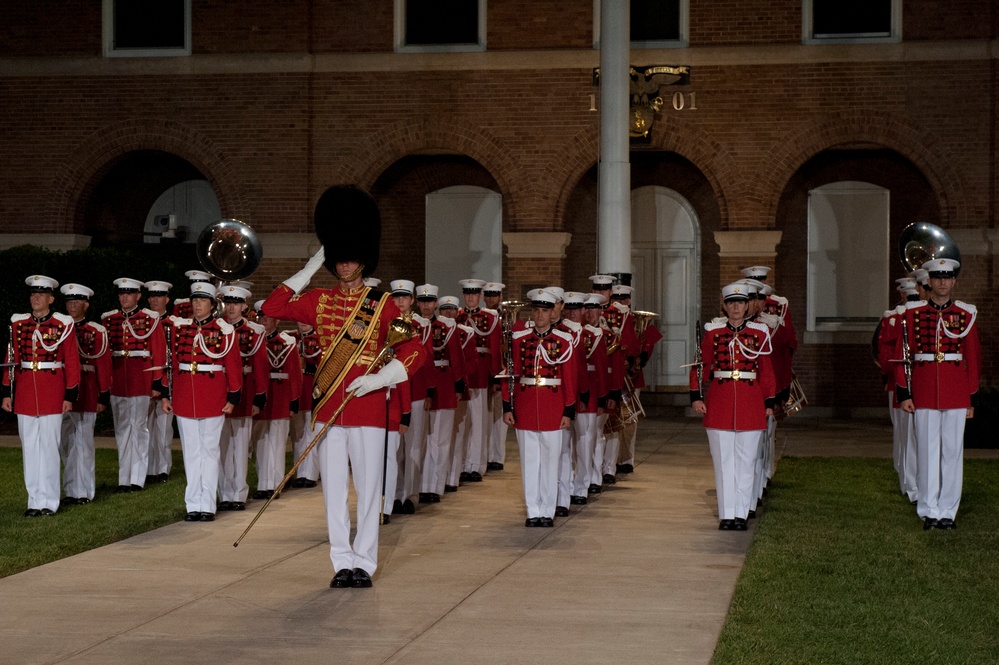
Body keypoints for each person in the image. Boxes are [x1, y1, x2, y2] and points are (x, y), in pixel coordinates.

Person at [262, 185, 426, 589]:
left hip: (368, 406)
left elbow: (414, 350)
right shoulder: (318, 299)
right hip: (328, 409)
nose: (345, 265)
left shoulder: (382, 304)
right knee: (333, 491)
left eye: (351, 257)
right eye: (339, 257)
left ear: (364, 259)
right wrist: (314, 260)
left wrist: (382, 378)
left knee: (369, 490)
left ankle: (364, 562)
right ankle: (341, 562)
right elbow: (272, 307)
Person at [896, 258, 980, 530]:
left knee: (953, 453)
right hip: (924, 389)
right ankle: (928, 510)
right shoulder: (912, 313)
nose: (943, 282)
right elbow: (902, 355)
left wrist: (971, 398)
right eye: (938, 278)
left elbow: (973, 359)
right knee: (927, 452)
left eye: (948, 277)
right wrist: (904, 393)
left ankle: (947, 511)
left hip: (956, 391)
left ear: (953, 281)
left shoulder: (966, 315)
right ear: (929, 282)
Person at [690, 283, 775, 531]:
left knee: (747, 461)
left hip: (751, 402)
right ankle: (727, 514)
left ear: (747, 306)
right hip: (719, 400)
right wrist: (696, 395)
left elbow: (767, 371)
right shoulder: (712, 332)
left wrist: (769, 401)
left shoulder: (760, 333)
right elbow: (701, 366)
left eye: (740, 302)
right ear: (724, 306)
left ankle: (741, 512)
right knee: (723, 461)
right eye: (731, 303)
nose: (736, 307)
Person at [161, 282, 242, 522]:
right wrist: (167, 394)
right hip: (185, 396)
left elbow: (233, 366)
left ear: (212, 305)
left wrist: (233, 396)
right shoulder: (180, 328)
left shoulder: (224, 330)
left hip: (212, 396)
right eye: (194, 301)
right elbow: (171, 364)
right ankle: (192, 504)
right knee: (191, 453)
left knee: (209, 451)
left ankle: (206, 505)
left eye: (203, 301)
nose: (197, 305)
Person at [2, 275, 81, 517]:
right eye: (33, 293)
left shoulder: (62, 324)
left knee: (48, 447)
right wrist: (7, 391)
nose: (35, 297)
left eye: (40, 294)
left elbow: (71, 361)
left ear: (51, 298)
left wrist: (70, 394)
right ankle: (33, 501)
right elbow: (11, 359)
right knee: (29, 448)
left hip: (51, 391)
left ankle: (48, 501)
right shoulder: (18, 324)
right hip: (25, 390)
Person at [503, 289, 576, 527]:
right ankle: (532, 511)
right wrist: (508, 406)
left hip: (552, 407)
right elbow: (511, 375)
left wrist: (568, 411)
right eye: (536, 310)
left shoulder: (564, 341)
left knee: (550, 463)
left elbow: (570, 378)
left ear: (552, 312)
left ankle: (548, 510)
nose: (540, 315)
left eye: (545, 310)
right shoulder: (520, 339)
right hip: (525, 406)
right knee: (529, 463)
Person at [102, 278, 167, 492]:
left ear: (138, 296)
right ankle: (124, 478)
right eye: (121, 294)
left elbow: (159, 353)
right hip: (119, 380)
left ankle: (137, 478)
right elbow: (104, 355)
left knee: (139, 428)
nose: (124, 297)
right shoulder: (109, 319)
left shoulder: (150, 318)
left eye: (129, 293)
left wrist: (157, 382)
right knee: (121, 429)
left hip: (141, 379)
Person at [59, 283, 111, 506]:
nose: (72, 304)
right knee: (65, 443)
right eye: (69, 301)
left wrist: (103, 395)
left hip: (87, 389)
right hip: (61, 391)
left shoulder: (95, 330)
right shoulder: (59, 328)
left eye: (77, 301)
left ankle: (85, 491)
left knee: (83, 443)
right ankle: (71, 489)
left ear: (86, 304)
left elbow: (104, 365)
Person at [218, 285, 268, 511]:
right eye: (228, 303)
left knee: (240, 444)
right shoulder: (217, 328)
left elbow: (260, 367)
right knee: (220, 445)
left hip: (244, 391)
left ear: (244, 306)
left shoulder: (254, 332)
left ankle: (238, 494)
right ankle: (223, 493)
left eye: (235, 303)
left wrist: (259, 398)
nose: (231, 307)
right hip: (219, 389)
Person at [389, 279, 433, 514]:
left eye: (404, 298)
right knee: (394, 449)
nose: (401, 302)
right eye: (397, 297)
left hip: (415, 390)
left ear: (412, 300)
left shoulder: (422, 326)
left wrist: (429, 391)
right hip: (392, 392)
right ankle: (394, 494)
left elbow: (426, 362)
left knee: (414, 446)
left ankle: (411, 495)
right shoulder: (385, 324)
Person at [251, 302, 302, 501]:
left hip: (280, 396)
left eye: (267, 318)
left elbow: (295, 374)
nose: (263, 321)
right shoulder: (254, 341)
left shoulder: (287, 342)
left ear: (277, 320)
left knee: (277, 443)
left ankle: (275, 485)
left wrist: (294, 401)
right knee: (259, 441)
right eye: (260, 318)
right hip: (261, 395)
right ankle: (263, 484)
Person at [419, 288, 464, 504]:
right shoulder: (412, 326)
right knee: (422, 439)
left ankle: (435, 486)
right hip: (419, 384)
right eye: (422, 301)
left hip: (443, 383)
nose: (426, 306)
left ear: (436, 303)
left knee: (441, 438)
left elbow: (456, 356)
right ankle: (420, 484)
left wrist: (458, 387)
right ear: (417, 303)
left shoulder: (447, 327)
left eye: (430, 301)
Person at [456, 278, 501, 483]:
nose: (471, 297)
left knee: (480, 420)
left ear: (480, 296)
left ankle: (477, 464)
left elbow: (495, 348)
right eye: (467, 294)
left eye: (474, 294)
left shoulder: (489, 318)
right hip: (462, 372)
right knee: (462, 422)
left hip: (481, 373)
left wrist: (496, 376)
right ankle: (463, 464)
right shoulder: (456, 316)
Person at [144, 280, 174, 484]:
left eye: (159, 296)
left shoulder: (174, 323)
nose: (155, 300)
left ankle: (162, 468)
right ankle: (148, 467)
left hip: (168, 380)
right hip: (146, 379)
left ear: (167, 299)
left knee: (163, 427)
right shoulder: (143, 321)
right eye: (152, 297)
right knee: (145, 426)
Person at [290, 320, 322, 489]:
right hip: (298, 389)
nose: (302, 322)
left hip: (313, 387)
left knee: (311, 431)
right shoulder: (292, 338)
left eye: (306, 319)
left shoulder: (319, 338)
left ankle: (310, 473)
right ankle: (300, 471)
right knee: (298, 433)